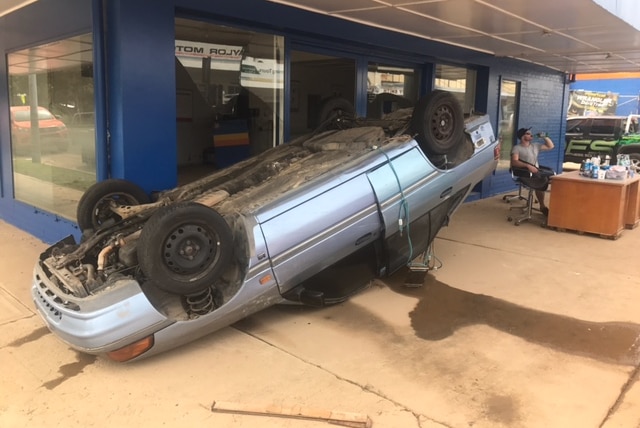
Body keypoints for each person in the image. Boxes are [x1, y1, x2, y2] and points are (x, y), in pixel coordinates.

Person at [510, 127, 555, 216]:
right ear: (523, 136)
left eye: (531, 133)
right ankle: (542, 206)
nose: (531, 135)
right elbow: (514, 162)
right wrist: (527, 165)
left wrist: (544, 137)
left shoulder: (535, 146)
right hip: (524, 172)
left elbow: (550, 146)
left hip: (536, 170)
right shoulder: (517, 148)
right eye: (528, 133)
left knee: (553, 178)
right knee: (541, 180)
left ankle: (555, 207)